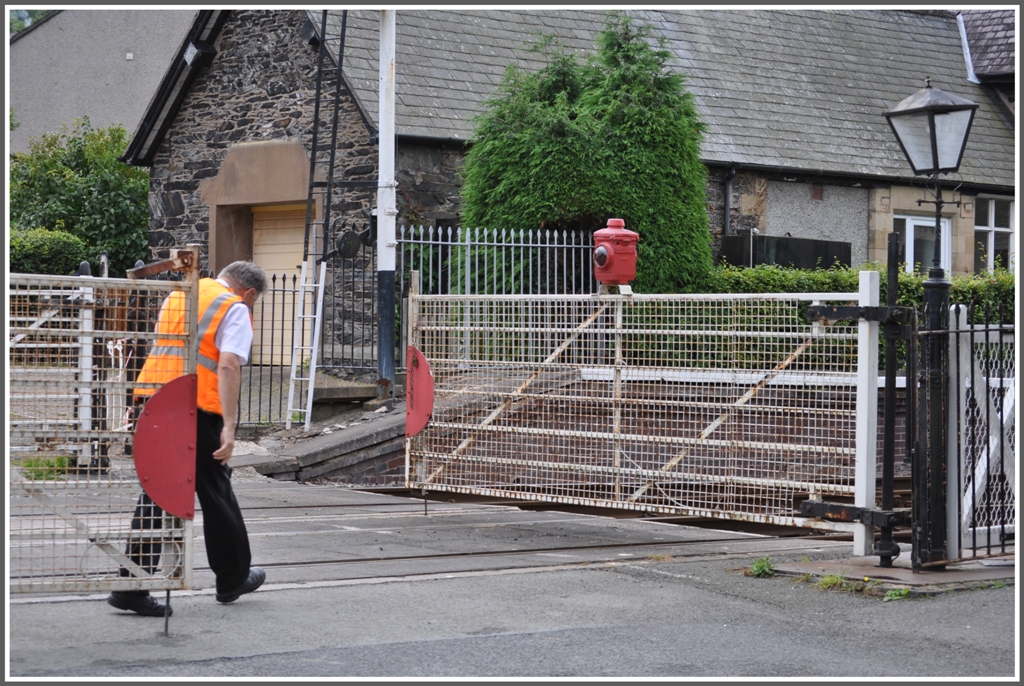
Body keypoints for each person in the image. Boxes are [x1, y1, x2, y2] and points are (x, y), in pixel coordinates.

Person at [108, 260, 269, 617]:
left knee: (159, 488)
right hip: (196, 406)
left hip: (155, 398)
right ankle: (232, 578)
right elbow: (227, 365)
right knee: (215, 489)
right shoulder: (234, 307)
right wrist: (229, 425)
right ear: (250, 293)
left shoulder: (179, 295)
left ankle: (131, 583)